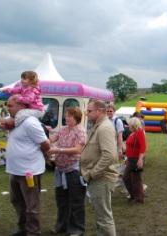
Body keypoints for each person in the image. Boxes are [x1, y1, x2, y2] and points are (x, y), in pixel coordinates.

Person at [5, 95, 50, 236]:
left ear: (21, 106)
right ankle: (23, 228)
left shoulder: (30, 122)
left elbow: (46, 144)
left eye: (11, 106)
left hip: (29, 171)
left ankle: (33, 232)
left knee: (31, 205)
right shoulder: (16, 122)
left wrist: (38, 157)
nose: (8, 108)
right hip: (15, 170)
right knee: (16, 200)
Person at [80, 100, 119, 236]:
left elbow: (109, 155)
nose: (87, 114)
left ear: (99, 111)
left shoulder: (104, 127)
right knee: (101, 216)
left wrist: (92, 173)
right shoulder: (99, 126)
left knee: (104, 218)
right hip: (99, 178)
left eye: (89, 111)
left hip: (101, 178)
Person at [47, 107, 86, 236]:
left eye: (69, 116)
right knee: (61, 200)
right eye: (66, 116)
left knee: (76, 201)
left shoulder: (80, 131)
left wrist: (58, 150)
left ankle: (77, 229)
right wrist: (45, 140)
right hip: (60, 170)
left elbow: (78, 150)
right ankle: (61, 225)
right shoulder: (63, 129)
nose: (67, 118)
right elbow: (52, 139)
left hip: (73, 170)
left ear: (76, 118)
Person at [123, 117, 147, 204]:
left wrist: (140, 159)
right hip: (131, 159)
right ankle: (135, 196)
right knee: (128, 178)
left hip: (136, 159)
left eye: (129, 124)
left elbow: (143, 147)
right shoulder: (133, 133)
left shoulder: (139, 132)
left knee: (135, 179)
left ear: (133, 125)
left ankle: (138, 197)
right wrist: (126, 157)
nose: (128, 126)